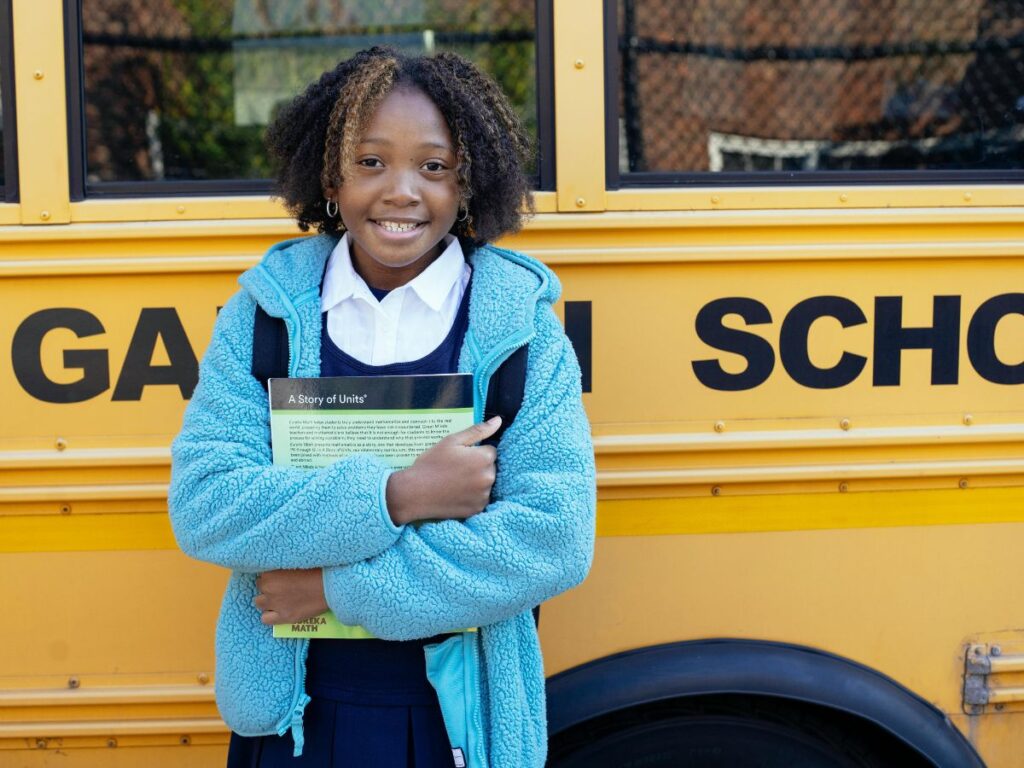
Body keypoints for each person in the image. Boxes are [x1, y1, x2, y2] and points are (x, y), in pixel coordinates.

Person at [168, 46, 595, 768]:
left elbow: (553, 539)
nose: (401, 191)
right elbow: (208, 505)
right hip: (294, 722)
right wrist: (397, 495)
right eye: (370, 162)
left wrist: (334, 589)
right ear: (329, 177)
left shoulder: (518, 334)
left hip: (456, 723)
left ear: (469, 183)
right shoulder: (264, 320)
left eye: (434, 166)